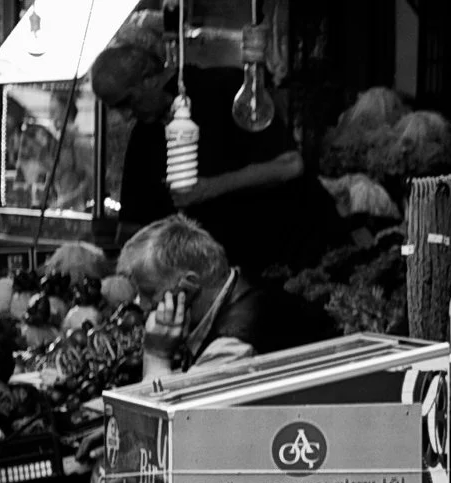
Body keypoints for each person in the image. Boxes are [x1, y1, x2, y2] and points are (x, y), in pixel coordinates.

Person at [91, 8, 336, 276]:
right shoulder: (143, 138)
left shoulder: (226, 90)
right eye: (116, 108)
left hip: (292, 258)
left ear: (151, 79)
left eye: (127, 101)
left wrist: (208, 189)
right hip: (217, 275)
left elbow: (290, 165)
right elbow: (133, 229)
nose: (125, 116)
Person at [118, 216, 334, 372]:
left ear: (189, 287)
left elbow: (177, 426)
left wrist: (156, 356)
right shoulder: (244, 285)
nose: (143, 305)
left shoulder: (232, 348)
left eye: (148, 292)